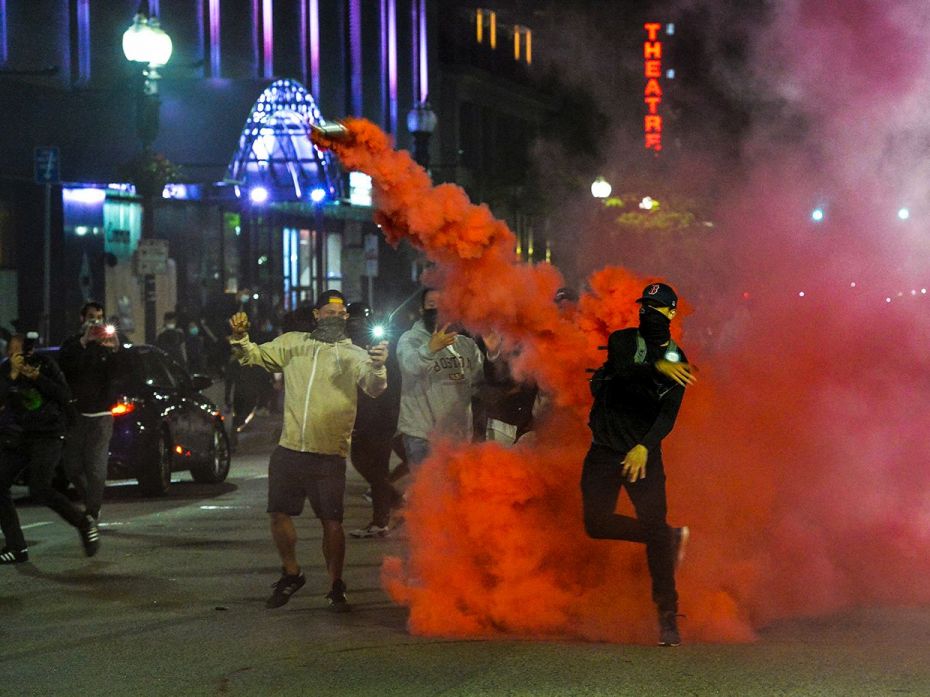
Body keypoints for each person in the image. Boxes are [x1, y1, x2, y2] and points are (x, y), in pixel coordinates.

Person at [228, 289, 388, 611]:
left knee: (331, 521)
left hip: (329, 451)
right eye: (328, 311)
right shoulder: (292, 343)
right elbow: (253, 356)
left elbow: (374, 388)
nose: (336, 316)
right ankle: (291, 572)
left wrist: (380, 366)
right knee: (278, 513)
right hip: (289, 447)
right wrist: (240, 337)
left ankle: (336, 584)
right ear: (316, 315)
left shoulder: (355, 354)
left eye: (341, 313)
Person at [582, 282, 696, 647]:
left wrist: (645, 446)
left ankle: (667, 617)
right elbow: (624, 370)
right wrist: (655, 366)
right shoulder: (623, 340)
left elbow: (668, 414)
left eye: (657, 308)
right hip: (603, 450)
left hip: (642, 456)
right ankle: (668, 535)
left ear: (671, 314)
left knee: (654, 530)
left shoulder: (678, 360)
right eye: (645, 306)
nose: (649, 313)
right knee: (596, 524)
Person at [0, 334, 99, 564]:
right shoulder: (6, 371)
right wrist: (13, 374)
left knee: (40, 487)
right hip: (20, 435)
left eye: (19, 352)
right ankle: (17, 548)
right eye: (11, 352)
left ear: (30, 352)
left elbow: (64, 395)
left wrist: (36, 377)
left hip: (48, 434)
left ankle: (83, 523)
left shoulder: (45, 365)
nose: (15, 357)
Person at [396, 288, 484, 469]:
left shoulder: (465, 344)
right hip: (423, 437)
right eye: (431, 305)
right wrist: (430, 349)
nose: (437, 310)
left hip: (458, 437)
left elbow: (479, 381)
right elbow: (409, 367)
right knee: (429, 494)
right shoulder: (410, 339)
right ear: (421, 310)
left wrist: (493, 352)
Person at [58, 301, 125, 524]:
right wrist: (84, 342)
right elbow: (66, 367)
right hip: (77, 415)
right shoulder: (72, 345)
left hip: (101, 416)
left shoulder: (107, 346)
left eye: (99, 317)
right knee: (72, 467)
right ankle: (90, 501)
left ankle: (92, 511)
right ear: (82, 319)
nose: (95, 321)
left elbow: (120, 375)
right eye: (90, 316)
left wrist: (115, 350)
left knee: (96, 468)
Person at [345, 302, 404, 538]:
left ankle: (381, 518)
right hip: (360, 414)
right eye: (353, 319)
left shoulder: (380, 345)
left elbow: (393, 379)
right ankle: (395, 503)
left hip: (380, 416)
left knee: (376, 469)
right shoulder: (346, 344)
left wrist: (392, 412)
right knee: (363, 463)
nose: (357, 324)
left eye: (360, 320)